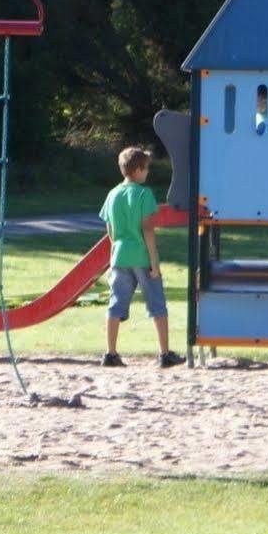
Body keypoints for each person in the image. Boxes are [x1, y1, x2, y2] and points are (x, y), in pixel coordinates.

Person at [98, 144, 183, 368]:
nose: (147, 172)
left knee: (115, 304)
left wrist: (116, 246)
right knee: (157, 304)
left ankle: (110, 353)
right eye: (145, 169)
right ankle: (164, 353)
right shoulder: (144, 194)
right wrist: (154, 263)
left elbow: (109, 227)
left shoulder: (113, 194)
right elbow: (147, 228)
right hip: (142, 256)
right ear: (137, 170)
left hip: (119, 256)